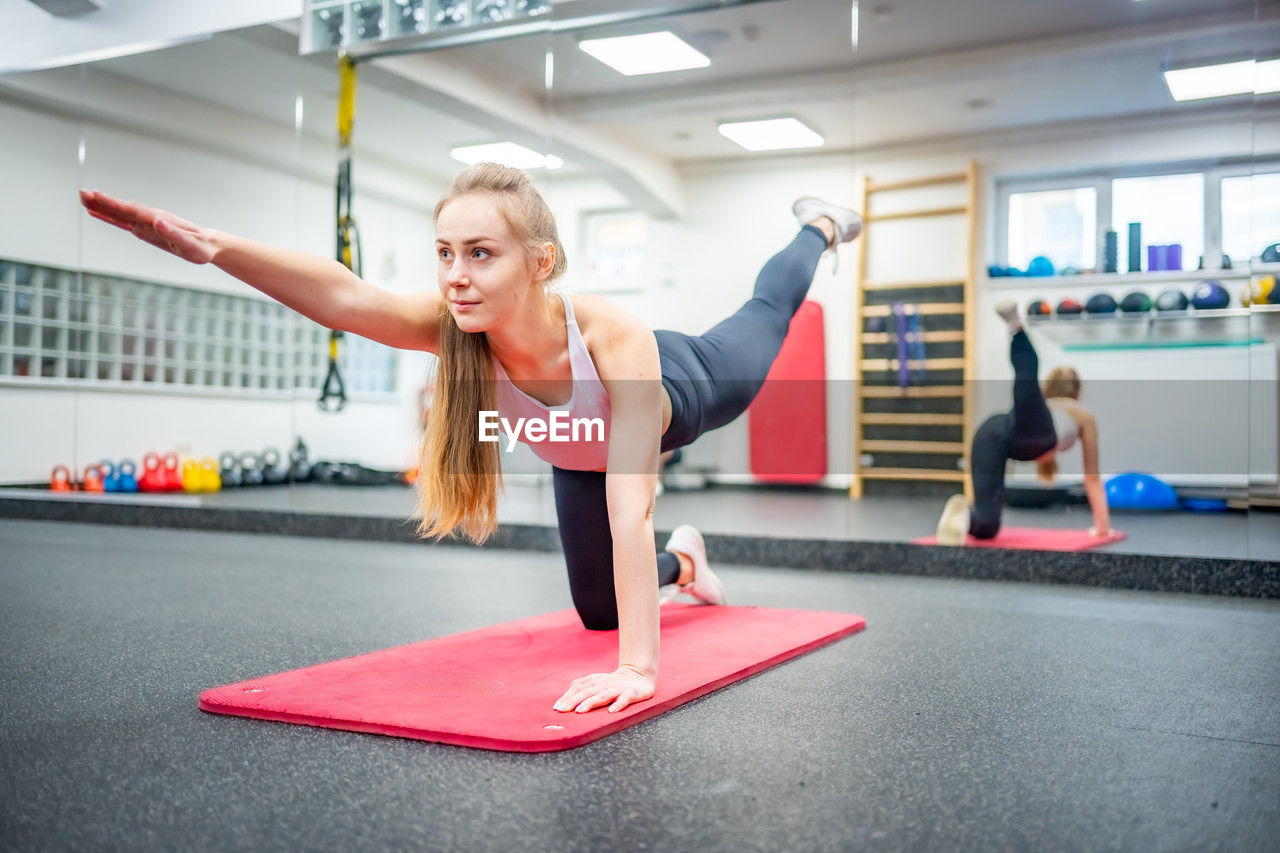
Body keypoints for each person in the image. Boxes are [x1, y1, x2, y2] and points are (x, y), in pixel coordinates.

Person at [80, 162, 863, 716]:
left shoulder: (613, 336)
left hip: (687, 385)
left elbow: (630, 511)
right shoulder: (456, 329)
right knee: (597, 611)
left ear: (541, 261)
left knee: (765, 316)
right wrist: (214, 248)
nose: (455, 274)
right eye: (446, 253)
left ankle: (818, 228)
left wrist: (639, 669)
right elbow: (345, 294)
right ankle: (687, 562)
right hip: (574, 451)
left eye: (480, 253)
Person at [935, 299, 1114, 545]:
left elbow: (1040, 450)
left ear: (1050, 388)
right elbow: (1092, 477)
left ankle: (967, 516)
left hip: (992, 431)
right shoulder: (1082, 414)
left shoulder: (1043, 409)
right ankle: (1015, 327)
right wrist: (1103, 528)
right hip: (1021, 434)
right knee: (1026, 383)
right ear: (1078, 392)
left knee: (987, 526)